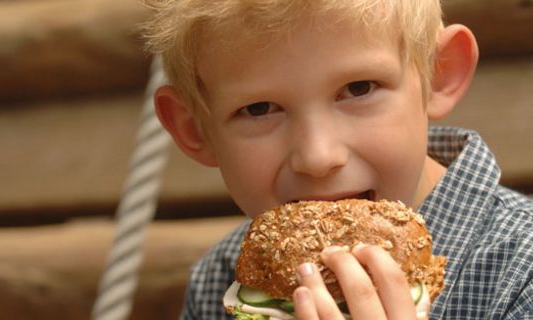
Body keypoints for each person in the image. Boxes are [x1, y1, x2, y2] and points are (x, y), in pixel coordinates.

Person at [141, 0, 533, 319]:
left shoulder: (522, 276)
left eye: (359, 88)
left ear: (440, 72)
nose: (317, 156)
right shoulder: (220, 281)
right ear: (194, 130)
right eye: (259, 109)